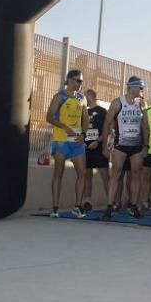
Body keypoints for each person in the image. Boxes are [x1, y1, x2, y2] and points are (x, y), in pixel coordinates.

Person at [103, 76, 149, 220]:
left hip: (136, 145)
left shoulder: (141, 103)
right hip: (120, 145)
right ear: (132, 87)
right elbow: (106, 123)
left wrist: (145, 146)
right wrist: (105, 145)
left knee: (136, 175)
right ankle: (109, 207)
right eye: (140, 88)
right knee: (116, 175)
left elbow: (145, 126)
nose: (142, 91)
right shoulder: (117, 103)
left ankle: (134, 205)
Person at [45, 70, 89, 218]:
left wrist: (83, 134)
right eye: (78, 81)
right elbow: (49, 117)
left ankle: (77, 207)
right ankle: (55, 208)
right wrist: (64, 126)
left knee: (82, 173)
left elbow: (86, 119)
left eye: (81, 81)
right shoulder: (59, 96)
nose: (80, 84)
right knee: (58, 173)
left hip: (77, 142)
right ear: (69, 80)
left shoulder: (82, 99)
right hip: (61, 140)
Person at [81, 88, 110, 211]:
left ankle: (110, 202)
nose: (85, 99)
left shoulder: (102, 111)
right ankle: (87, 201)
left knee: (105, 175)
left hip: (98, 147)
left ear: (91, 96)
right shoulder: (83, 112)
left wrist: (98, 141)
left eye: (86, 96)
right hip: (86, 147)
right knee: (87, 175)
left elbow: (107, 129)